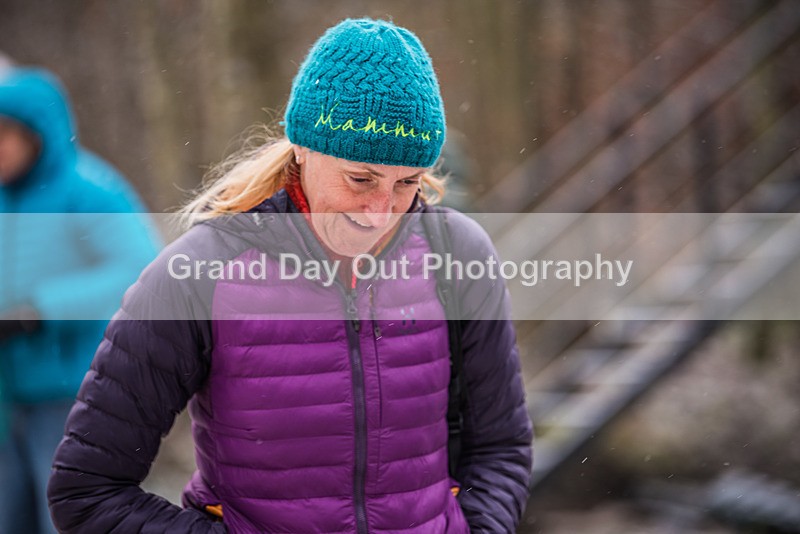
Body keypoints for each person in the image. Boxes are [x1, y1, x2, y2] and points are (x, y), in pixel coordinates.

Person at [48, 18, 532, 533]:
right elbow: (87, 490)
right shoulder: (200, 273)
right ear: (302, 149)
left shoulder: (457, 256)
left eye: (407, 183)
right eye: (360, 179)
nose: (380, 212)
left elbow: (501, 447)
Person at [0, 64, 161, 533]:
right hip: (10, 394)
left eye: (7, 134)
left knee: (65, 516)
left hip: (73, 389)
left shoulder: (88, 190)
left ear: (38, 136)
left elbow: (141, 268)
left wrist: (40, 312)